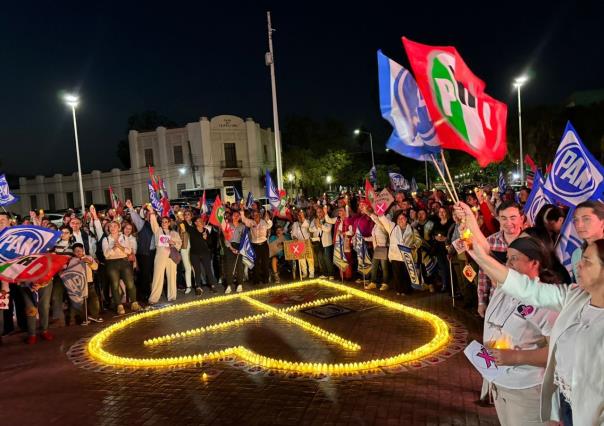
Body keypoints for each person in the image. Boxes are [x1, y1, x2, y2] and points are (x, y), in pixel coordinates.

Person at [461, 202, 604, 425]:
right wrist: (477, 252)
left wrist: (516, 357)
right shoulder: (574, 296)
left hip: (590, 408)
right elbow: (524, 288)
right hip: (566, 401)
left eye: (586, 261)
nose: (577, 266)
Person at [477, 201, 524, 318]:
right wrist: (481, 302)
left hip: (524, 303)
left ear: (521, 218)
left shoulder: (531, 241)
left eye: (513, 218)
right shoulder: (490, 242)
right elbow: (483, 273)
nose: (508, 223)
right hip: (497, 300)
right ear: (498, 219)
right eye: (504, 218)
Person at [370, 210, 422, 296]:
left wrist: (414, 245)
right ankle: (399, 290)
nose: (401, 220)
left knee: (406, 274)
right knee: (397, 274)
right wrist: (379, 212)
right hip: (395, 256)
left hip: (407, 256)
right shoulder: (392, 227)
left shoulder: (412, 229)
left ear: (406, 219)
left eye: (403, 218)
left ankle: (406, 290)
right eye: (399, 218)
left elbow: (418, 240)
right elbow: (384, 220)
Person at [102, 221, 139, 314]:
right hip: (111, 263)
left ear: (119, 228)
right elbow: (106, 254)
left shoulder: (124, 237)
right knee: (115, 285)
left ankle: (134, 303)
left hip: (124, 261)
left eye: (115, 226)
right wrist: (114, 248)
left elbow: (128, 250)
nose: (112, 228)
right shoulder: (106, 239)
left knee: (130, 283)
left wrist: (120, 246)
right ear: (108, 228)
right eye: (110, 226)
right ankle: (119, 305)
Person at [148, 206, 182, 304]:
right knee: (157, 276)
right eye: (162, 222)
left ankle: (172, 296)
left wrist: (173, 242)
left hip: (171, 257)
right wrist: (151, 212)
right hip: (160, 256)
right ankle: (153, 298)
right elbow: (153, 222)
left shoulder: (174, 233)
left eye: (166, 222)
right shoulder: (158, 230)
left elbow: (179, 243)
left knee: (172, 276)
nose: (164, 223)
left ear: (169, 223)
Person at [126, 200, 156, 302]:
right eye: (149, 214)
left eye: (152, 214)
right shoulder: (143, 224)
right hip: (144, 253)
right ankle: (144, 295)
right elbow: (135, 218)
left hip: (154, 253)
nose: (151, 216)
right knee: (145, 275)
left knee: (151, 274)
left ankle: (150, 293)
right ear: (146, 216)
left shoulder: (157, 226)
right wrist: (130, 207)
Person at [570, 200, 604, 281]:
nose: (579, 225)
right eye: (576, 220)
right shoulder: (577, 254)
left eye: (586, 219)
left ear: (602, 222)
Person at [184, 215, 216, 294]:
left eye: (201, 220)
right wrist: (183, 218)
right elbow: (184, 224)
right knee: (197, 271)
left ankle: (212, 286)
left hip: (205, 253)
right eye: (198, 221)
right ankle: (198, 287)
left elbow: (210, 243)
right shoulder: (192, 230)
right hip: (194, 254)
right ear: (195, 223)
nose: (201, 222)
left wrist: (206, 238)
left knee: (208, 270)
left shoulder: (206, 231)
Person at [241, 209, 272, 285]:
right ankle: (256, 280)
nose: (255, 216)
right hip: (255, 245)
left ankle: (266, 279)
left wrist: (267, 219)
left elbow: (270, 224)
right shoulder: (251, 222)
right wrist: (242, 210)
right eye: (254, 215)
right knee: (256, 263)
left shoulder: (264, 221)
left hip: (264, 244)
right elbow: (243, 219)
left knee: (265, 263)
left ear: (260, 215)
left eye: (257, 214)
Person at [72, 243, 102, 323]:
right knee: (81, 301)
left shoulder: (89, 257)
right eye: (76, 251)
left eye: (80, 250)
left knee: (93, 298)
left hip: (89, 282)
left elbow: (95, 267)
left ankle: (94, 315)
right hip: (79, 284)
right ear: (73, 253)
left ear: (83, 250)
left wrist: (89, 262)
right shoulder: (73, 260)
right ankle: (84, 318)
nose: (78, 252)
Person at [221, 209, 245, 294]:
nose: (236, 217)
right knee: (229, 267)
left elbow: (244, 238)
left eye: (238, 215)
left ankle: (239, 284)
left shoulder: (242, 226)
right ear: (231, 216)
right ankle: (229, 285)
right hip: (229, 247)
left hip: (239, 247)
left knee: (239, 266)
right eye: (234, 215)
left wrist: (241, 248)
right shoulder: (228, 225)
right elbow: (226, 238)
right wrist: (231, 248)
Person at [432, 207, 455, 293]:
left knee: (449, 267)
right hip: (439, 248)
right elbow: (433, 233)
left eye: (443, 211)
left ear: (447, 213)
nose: (441, 213)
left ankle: (451, 286)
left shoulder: (451, 223)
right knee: (442, 268)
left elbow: (452, 235)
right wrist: (436, 237)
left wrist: (445, 238)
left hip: (448, 248)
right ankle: (444, 284)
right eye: (440, 212)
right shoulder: (437, 223)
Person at [309, 205, 335, 279]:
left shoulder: (328, 220)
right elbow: (311, 229)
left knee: (327, 258)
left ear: (324, 212)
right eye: (317, 212)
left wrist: (319, 225)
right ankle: (325, 273)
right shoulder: (316, 220)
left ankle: (331, 274)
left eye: (320, 212)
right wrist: (317, 225)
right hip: (319, 242)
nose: (319, 214)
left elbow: (328, 229)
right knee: (321, 258)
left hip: (327, 242)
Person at [290, 209, 314, 280]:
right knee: (301, 259)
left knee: (309, 258)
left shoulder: (308, 221)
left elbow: (307, 226)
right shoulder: (295, 224)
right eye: (299, 215)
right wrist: (294, 237)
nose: (300, 216)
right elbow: (293, 233)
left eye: (301, 214)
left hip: (307, 241)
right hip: (299, 243)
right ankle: (304, 272)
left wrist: (303, 218)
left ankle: (311, 272)